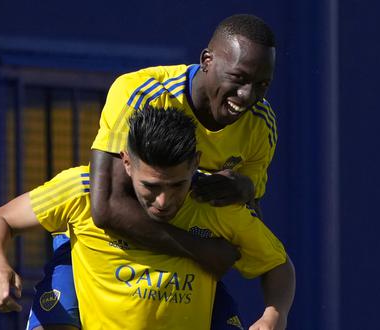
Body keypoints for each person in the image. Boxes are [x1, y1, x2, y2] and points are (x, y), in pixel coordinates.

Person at [27, 13, 278, 329]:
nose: (247, 96)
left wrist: (242, 191)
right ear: (207, 60)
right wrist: (202, 249)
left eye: (262, 85)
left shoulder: (260, 125)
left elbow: (247, 224)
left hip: (181, 260)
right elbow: (105, 208)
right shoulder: (141, 93)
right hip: (100, 249)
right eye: (238, 78)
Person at [0, 107, 295, 330]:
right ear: (126, 163)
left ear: (195, 164)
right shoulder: (82, 191)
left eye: (177, 186)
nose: (163, 201)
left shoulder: (215, 207)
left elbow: (277, 266)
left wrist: (273, 317)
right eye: (151, 186)